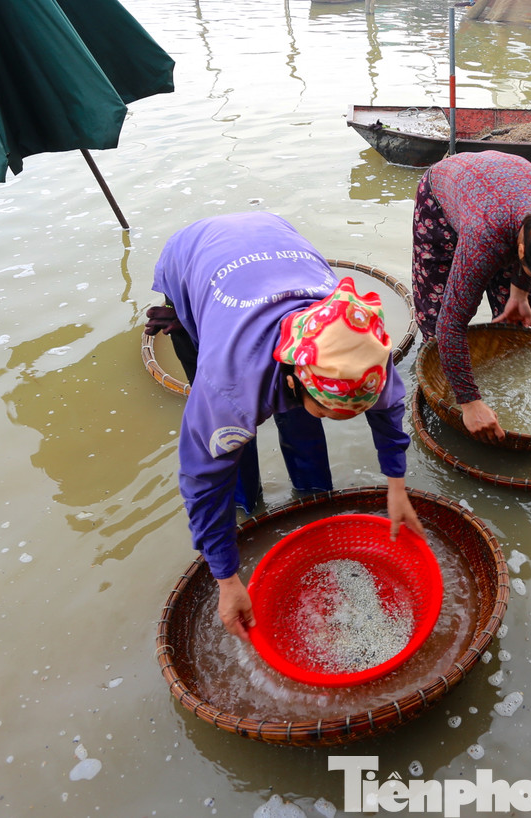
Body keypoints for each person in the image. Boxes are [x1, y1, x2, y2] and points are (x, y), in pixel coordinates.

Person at [145, 212, 426, 638]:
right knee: (231, 454)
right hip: (195, 257)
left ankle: (312, 497)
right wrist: (226, 579)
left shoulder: (358, 340)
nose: (339, 420)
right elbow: (203, 479)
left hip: (271, 236)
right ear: (294, 377)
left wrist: (397, 485)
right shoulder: (229, 387)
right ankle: (248, 505)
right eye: (332, 411)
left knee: (302, 423)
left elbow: (388, 410)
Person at [411, 150, 531, 441]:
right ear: (520, 253)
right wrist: (469, 402)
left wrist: (519, 293)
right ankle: (444, 377)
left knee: (522, 305)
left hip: (498, 195)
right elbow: (450, 324)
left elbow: (525, 258)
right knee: (437, 310)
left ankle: (498, 364)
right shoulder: (485, 235)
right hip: (443, 193)